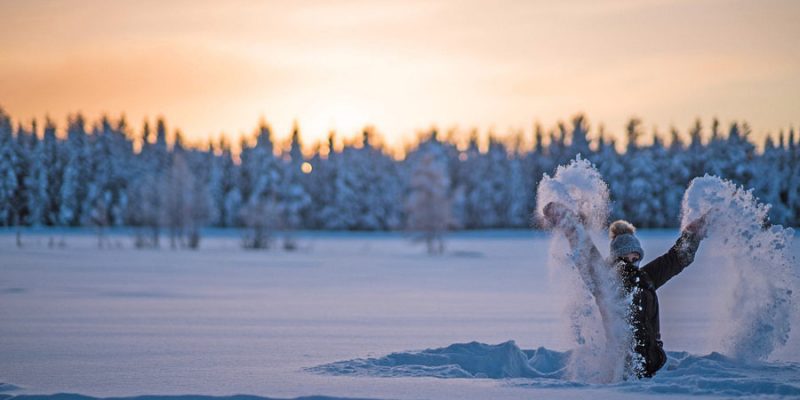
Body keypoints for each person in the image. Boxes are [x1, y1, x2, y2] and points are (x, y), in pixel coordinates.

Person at [542, 201, 707, 378]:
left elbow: (675, 259)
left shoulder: (645, 277)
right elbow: (586, 252)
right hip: (624, 372)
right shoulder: (605, 281)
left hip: (654, 366)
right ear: (616, 259)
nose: (631, 263)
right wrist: (570, 224)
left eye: (635, 258)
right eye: (625, 258)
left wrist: (692, 234)